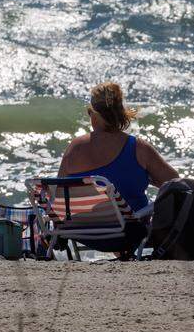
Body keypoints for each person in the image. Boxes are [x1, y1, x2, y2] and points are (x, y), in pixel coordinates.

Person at [57, 81, 179, 252]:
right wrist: (145, 177)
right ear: (120, 113)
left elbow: (59, 195)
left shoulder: (74, 148)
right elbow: (177, 186)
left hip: (82, 232)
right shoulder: (138, 148)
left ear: (94, 115)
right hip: (127, 233)